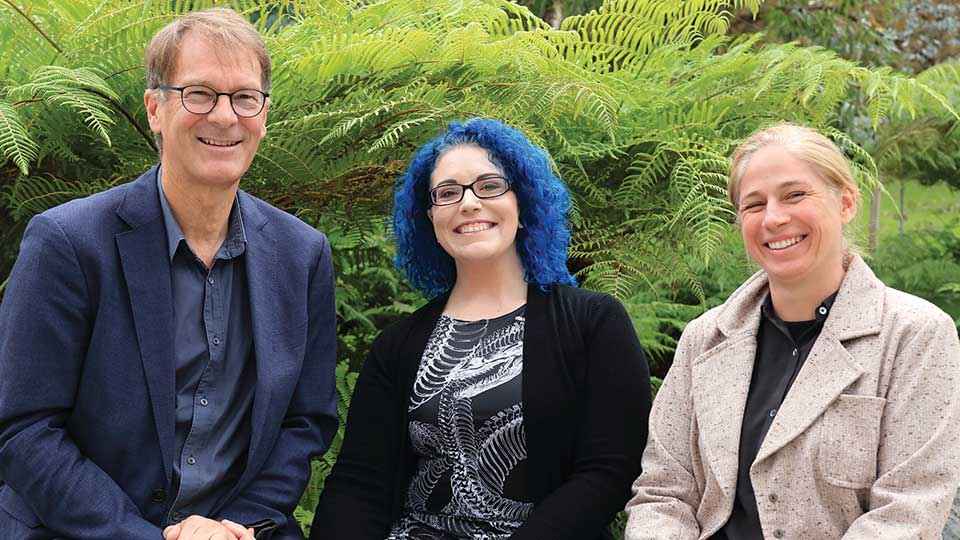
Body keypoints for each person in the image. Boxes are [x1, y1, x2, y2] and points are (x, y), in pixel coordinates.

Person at [0, 8, 338, 540]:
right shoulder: (67, 243)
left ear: (264, 115)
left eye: (245, 97)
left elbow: (306, 422)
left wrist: (232, 527)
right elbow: (24, 429)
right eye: (199, 93)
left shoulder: (302, 255)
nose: (225, 116)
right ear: (155, 108)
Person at [310, 118, 651, 540]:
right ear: (429, 219)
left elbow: (609, 470)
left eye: (489, 185)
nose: (468, 203)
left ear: (522, 204)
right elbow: (359, 483)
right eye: (448, 193)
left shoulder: (593, 323)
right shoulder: (398, 345)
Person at [624, 123, 960, 539]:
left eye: (795, 195)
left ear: (847, 203)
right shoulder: (704, 339)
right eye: (754, 204)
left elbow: (910, 510)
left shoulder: (915, 336)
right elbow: (663, 494)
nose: (774, 218)